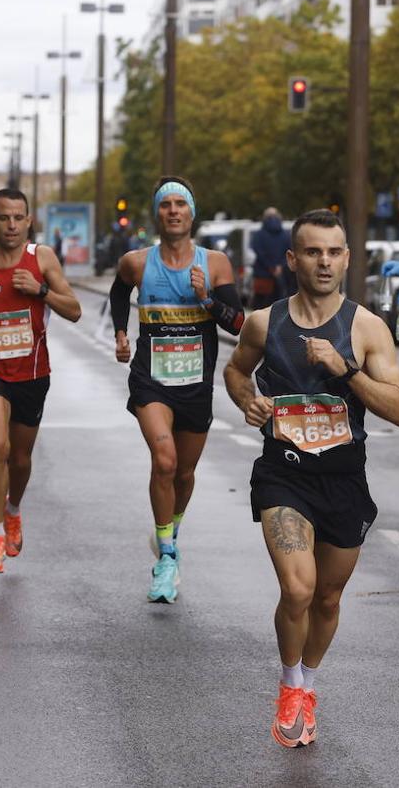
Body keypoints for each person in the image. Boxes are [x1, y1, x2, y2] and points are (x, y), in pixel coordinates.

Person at [223, 209, 399, 748]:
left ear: (347, 258)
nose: (324, 262)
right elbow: (237, 370)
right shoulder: (264, 322)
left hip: (344, 480)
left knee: (327, 598)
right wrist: (248, 401)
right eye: (312, 251)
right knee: (298, 588)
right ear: (292, 258)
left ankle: (309, 683)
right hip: (283, 474)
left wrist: (345, 369)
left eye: (334, 252)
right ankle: (287, 685)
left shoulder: (367, 327)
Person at [108, 177, 245, 603]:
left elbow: (238, 324)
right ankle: (166, 556)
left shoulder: (216, 263)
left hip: (195, 384)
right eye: (165, 204)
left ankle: (169, 528)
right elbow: (118, 292)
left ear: (191, 213)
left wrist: (206, 299)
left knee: (184, 473)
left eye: (179, 205)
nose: (172, 211)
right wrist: (119, 333)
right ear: (158, 213)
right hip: (151, 379)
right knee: (164, 461)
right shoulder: (136, 262)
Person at [0, 188, 82, 573]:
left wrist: (40, 290)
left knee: (21, 458)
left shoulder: (42, 259)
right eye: (3, 217)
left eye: (17, 217)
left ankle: (12, 510)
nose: (11, 225)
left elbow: (74, 310)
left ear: (29, 221)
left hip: (32, 371)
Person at [249, 207, 292, 308]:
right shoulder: (286, 235)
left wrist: (270, 266)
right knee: (280, 303)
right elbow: (289, 251)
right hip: (281, 273)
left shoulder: (258, 235)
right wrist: (280, 266)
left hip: (262, 274)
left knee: (261, 305)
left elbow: (259, 252)